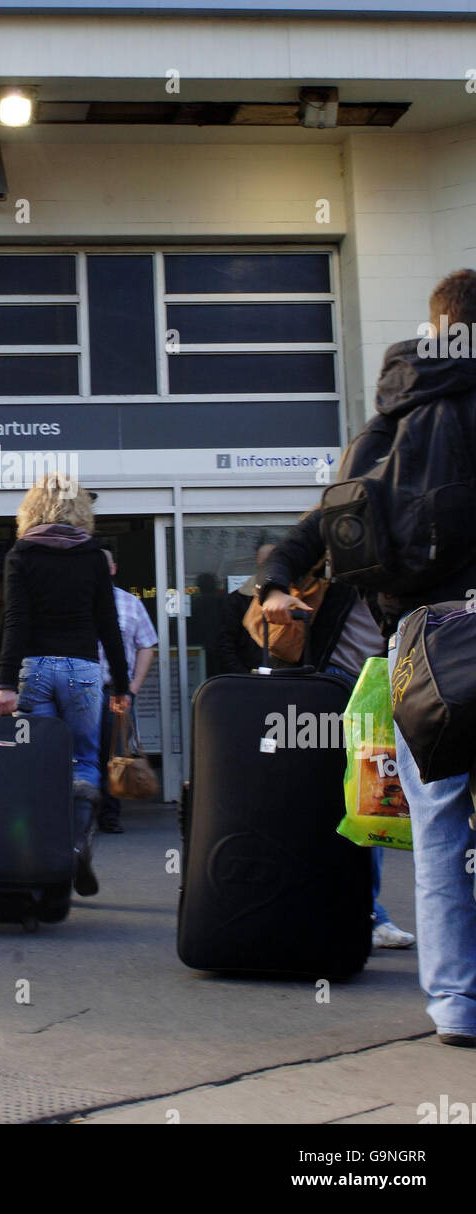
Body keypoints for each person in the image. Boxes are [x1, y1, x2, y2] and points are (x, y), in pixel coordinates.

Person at [260, 266, 476, 1045]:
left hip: (424, 651)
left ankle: (456, 1006)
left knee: (442, 827)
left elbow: (327, 517)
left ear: (434, 325)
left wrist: (276, 580)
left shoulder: (387, 423)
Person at [256, 536, 414, 950]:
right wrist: (273, 589)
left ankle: (362, 910)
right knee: (357, 801)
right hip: (332, 688)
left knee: (371, 803)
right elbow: (282, 557)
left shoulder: (405, 547)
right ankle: (362, 912)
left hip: (382, 690)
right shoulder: (341, 540)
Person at [0, 475, 130, 897]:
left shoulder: (22, 554)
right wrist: (121, 684)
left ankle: (43, 862)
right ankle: (78, 841)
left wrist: (3, 683)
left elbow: (14, 621)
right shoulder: (92, 556)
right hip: (84, 672)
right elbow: (109, 624)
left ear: (31, 507)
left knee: (40, 762)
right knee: (85, 760)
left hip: (33, 669)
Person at [96, 549, 159, 833]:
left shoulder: (130, 604)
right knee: (80, 752)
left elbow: (147, 645)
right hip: (78, 692)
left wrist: (132, 688)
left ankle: (110, 816)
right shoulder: (74, 603)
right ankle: (80, 815)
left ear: (113, 568)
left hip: (115, 691)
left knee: (114, 753)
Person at [216, 543, 276, 674]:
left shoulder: (294, 596)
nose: (270, 570)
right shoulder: (238, 600)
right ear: (258, 565)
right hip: (251, 675)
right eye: (266, 564)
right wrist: (244, 675)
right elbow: (226, 644)